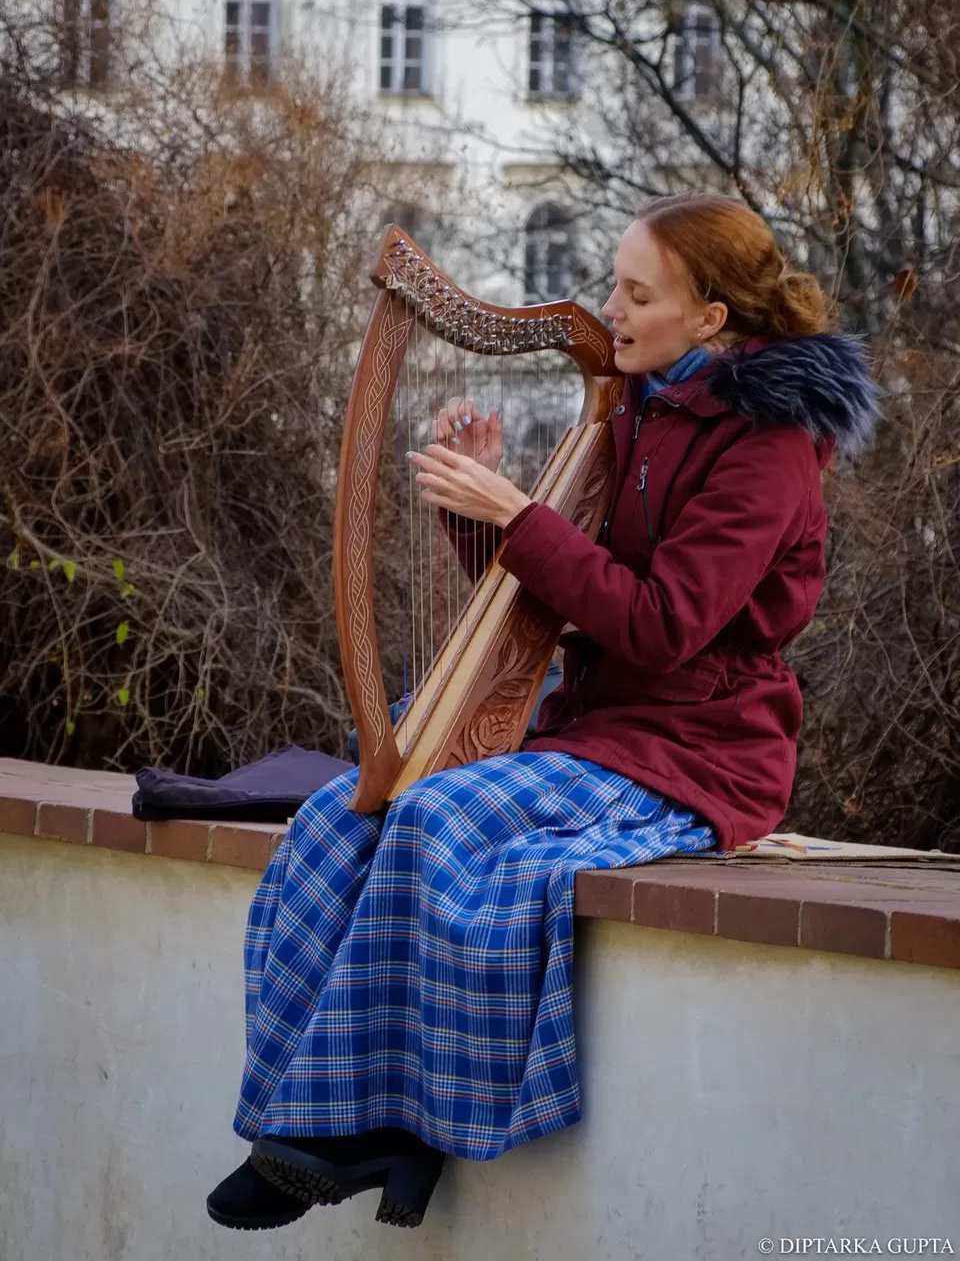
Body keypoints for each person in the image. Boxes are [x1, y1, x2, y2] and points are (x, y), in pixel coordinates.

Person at [206, 190, 882, 1232]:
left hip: (697, 753)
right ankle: (300, 1120)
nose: (607, 305)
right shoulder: (642, 406)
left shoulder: (768, 448)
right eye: (615, 280)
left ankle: (393, 1125)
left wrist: (520, 515)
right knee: (344, 813)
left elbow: (660, 625)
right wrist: (480, 507)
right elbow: (553, 604)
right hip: (598, 723)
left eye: (636, 291)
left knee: (436, 820)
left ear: (710, 317)